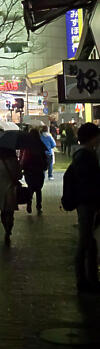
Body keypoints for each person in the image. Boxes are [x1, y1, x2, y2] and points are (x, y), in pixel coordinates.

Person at [71, 123, 100, 293]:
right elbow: (88, 183)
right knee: (85, 241)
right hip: (87, 203)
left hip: (87, 203)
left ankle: (90, 278)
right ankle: (83, 279)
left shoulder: (84, 154)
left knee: (90, 241)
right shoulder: (85, 156)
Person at [0, 146, 21, 245]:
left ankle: (6, 230)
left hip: (0, 189)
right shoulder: (15, 162)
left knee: (3, 212)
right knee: (10, 213)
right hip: (11, 189)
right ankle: (9, 229)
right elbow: (19, 175)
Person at [20, 129, 48, 214]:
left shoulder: (27, 146)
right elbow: (45, 158)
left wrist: (22, 168)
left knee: (30, 187)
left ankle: (29, 203)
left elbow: (24, 159)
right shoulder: (40, 145)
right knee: (38, 189)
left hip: (29, 171)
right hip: (39, 171)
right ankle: (39, 206)